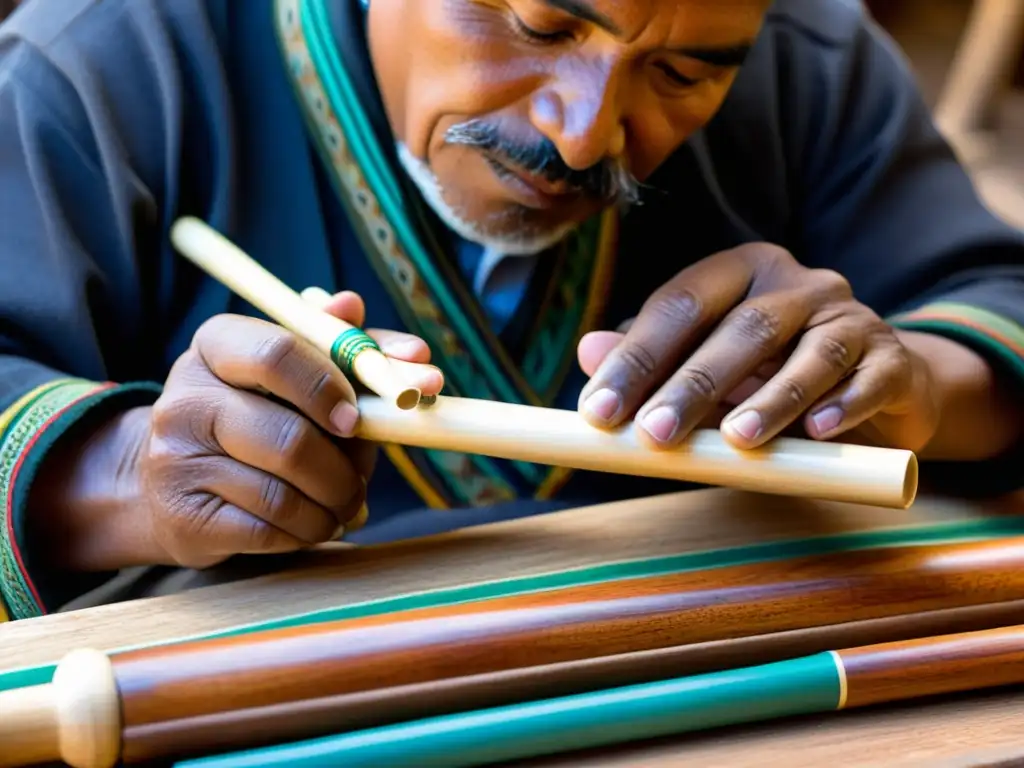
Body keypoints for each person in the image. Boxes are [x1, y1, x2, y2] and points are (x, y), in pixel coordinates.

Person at [0, 0, 1021, 623]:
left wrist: (913, 387)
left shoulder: (804, 55)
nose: (586, 138)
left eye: (678, 73)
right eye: (541, 25)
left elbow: (996, 305)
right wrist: (126, 473)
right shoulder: (103, 62)